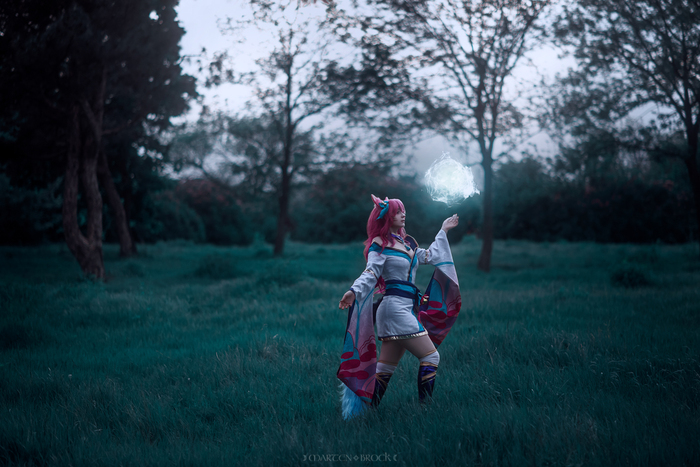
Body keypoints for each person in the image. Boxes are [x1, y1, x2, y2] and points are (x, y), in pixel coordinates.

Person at [337, 195, 461, 419]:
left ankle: (368, 414)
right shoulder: (380, 244)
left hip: (403, 308)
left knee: (385, 369)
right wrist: (353, 291)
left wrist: (443, 230)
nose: (403, 215)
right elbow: (371, 272)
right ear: (386, 217)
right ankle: (425, 410)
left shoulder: (408, 244)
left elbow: (430, 256)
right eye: (397, 212)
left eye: (403, 211)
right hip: (393, 309)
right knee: (431, 357)